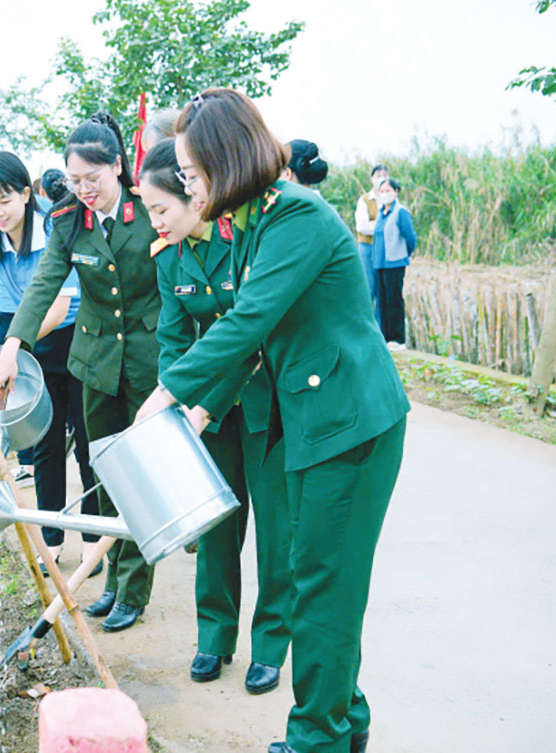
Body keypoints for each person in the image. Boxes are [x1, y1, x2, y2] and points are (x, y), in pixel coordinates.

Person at [135, 88, 409, 753]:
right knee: (323, 585)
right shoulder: (257, 222)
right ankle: (343, 726)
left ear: (227, 162)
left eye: (195, 176)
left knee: (320, 588)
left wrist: (165, 393)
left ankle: (316, 737)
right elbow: (249, 336)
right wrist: (200, 405)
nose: (189, 188)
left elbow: (246, 321)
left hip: (350, 427)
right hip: (318, 424)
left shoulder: (296, 220)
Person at [0, 111, 160, 633]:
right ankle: (111, 578)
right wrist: (12, 345)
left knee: (137, 476)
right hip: (95, 364)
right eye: (76, 180)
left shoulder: (148, 212)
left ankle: (133, 588)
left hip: (147, 366)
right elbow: (43, 284)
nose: (85, 189)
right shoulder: (67, 221)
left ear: (117, 167)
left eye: (95, 178)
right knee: (103, 470)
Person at [137, 139, 292, 693]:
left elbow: (248, 339)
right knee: (217, 526)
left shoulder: (243, 241)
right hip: (210, 411)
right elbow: (175, 343)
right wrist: (171, 408)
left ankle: (271, 644)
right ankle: (214, 638)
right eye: (149, 211)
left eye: (161, 210)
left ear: (194, 198)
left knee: (275, 533)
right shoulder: (169, 257)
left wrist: (202, 405)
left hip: (263, 405)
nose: (154, 223)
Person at [0, 151, 102, 574]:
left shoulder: (53, 226)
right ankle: (51, 538)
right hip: (20, 333)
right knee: (43, 444)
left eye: (5, 201)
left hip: (68, 333)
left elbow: (60, 305)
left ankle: (91, 539)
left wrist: (14, 346)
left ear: (27, 195)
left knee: (86, 445)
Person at [372, 177, 416, 350]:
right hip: (380, 262)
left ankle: (398, 339)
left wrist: (405, 253)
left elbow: (410, 237)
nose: (385, 194)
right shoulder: (381, 212)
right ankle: (386, 337)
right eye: (382, 191)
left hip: (395, 262)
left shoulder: (400, 212)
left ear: (396, 192)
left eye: (388, 191)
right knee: (382, 301)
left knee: (394, 300)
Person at [355, 165, 388, 323]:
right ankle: (364, 329)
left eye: (384, 175)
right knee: (368, 289)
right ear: (372, 178)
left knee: (383, 293)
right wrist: (383, 225)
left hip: (386, 250)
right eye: (378, 175)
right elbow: (362, 227)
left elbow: (396, 224)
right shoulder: (365, 200)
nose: (381, 178)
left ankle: (381, 333)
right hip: (367, 248)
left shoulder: (391, 199)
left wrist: (376, 224)